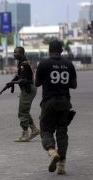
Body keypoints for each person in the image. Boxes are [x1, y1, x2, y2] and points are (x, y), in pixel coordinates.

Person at [35, 40, 77, 175]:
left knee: (46, 130)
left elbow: (36, 83)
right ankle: (61, 166)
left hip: (49, 103)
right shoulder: (68, 64)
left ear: (49, 50)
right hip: (64, 103)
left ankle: (52, 152)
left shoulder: (43, 64)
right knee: (62, 133)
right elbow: (74, 85)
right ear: (61, 50)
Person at [7, 46, 40, 142]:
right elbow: (19, 76)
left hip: (28, 89)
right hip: (28, 89)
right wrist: (11, 82)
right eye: (14, 52)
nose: (14, 54)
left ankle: (25, 134)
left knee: (22, 112)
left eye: (16, 52)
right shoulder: (21, 63)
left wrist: (13, 83)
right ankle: (34, 129)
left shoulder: (24, 65)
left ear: (22, 53)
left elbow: (24, 80)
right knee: (24, 110)